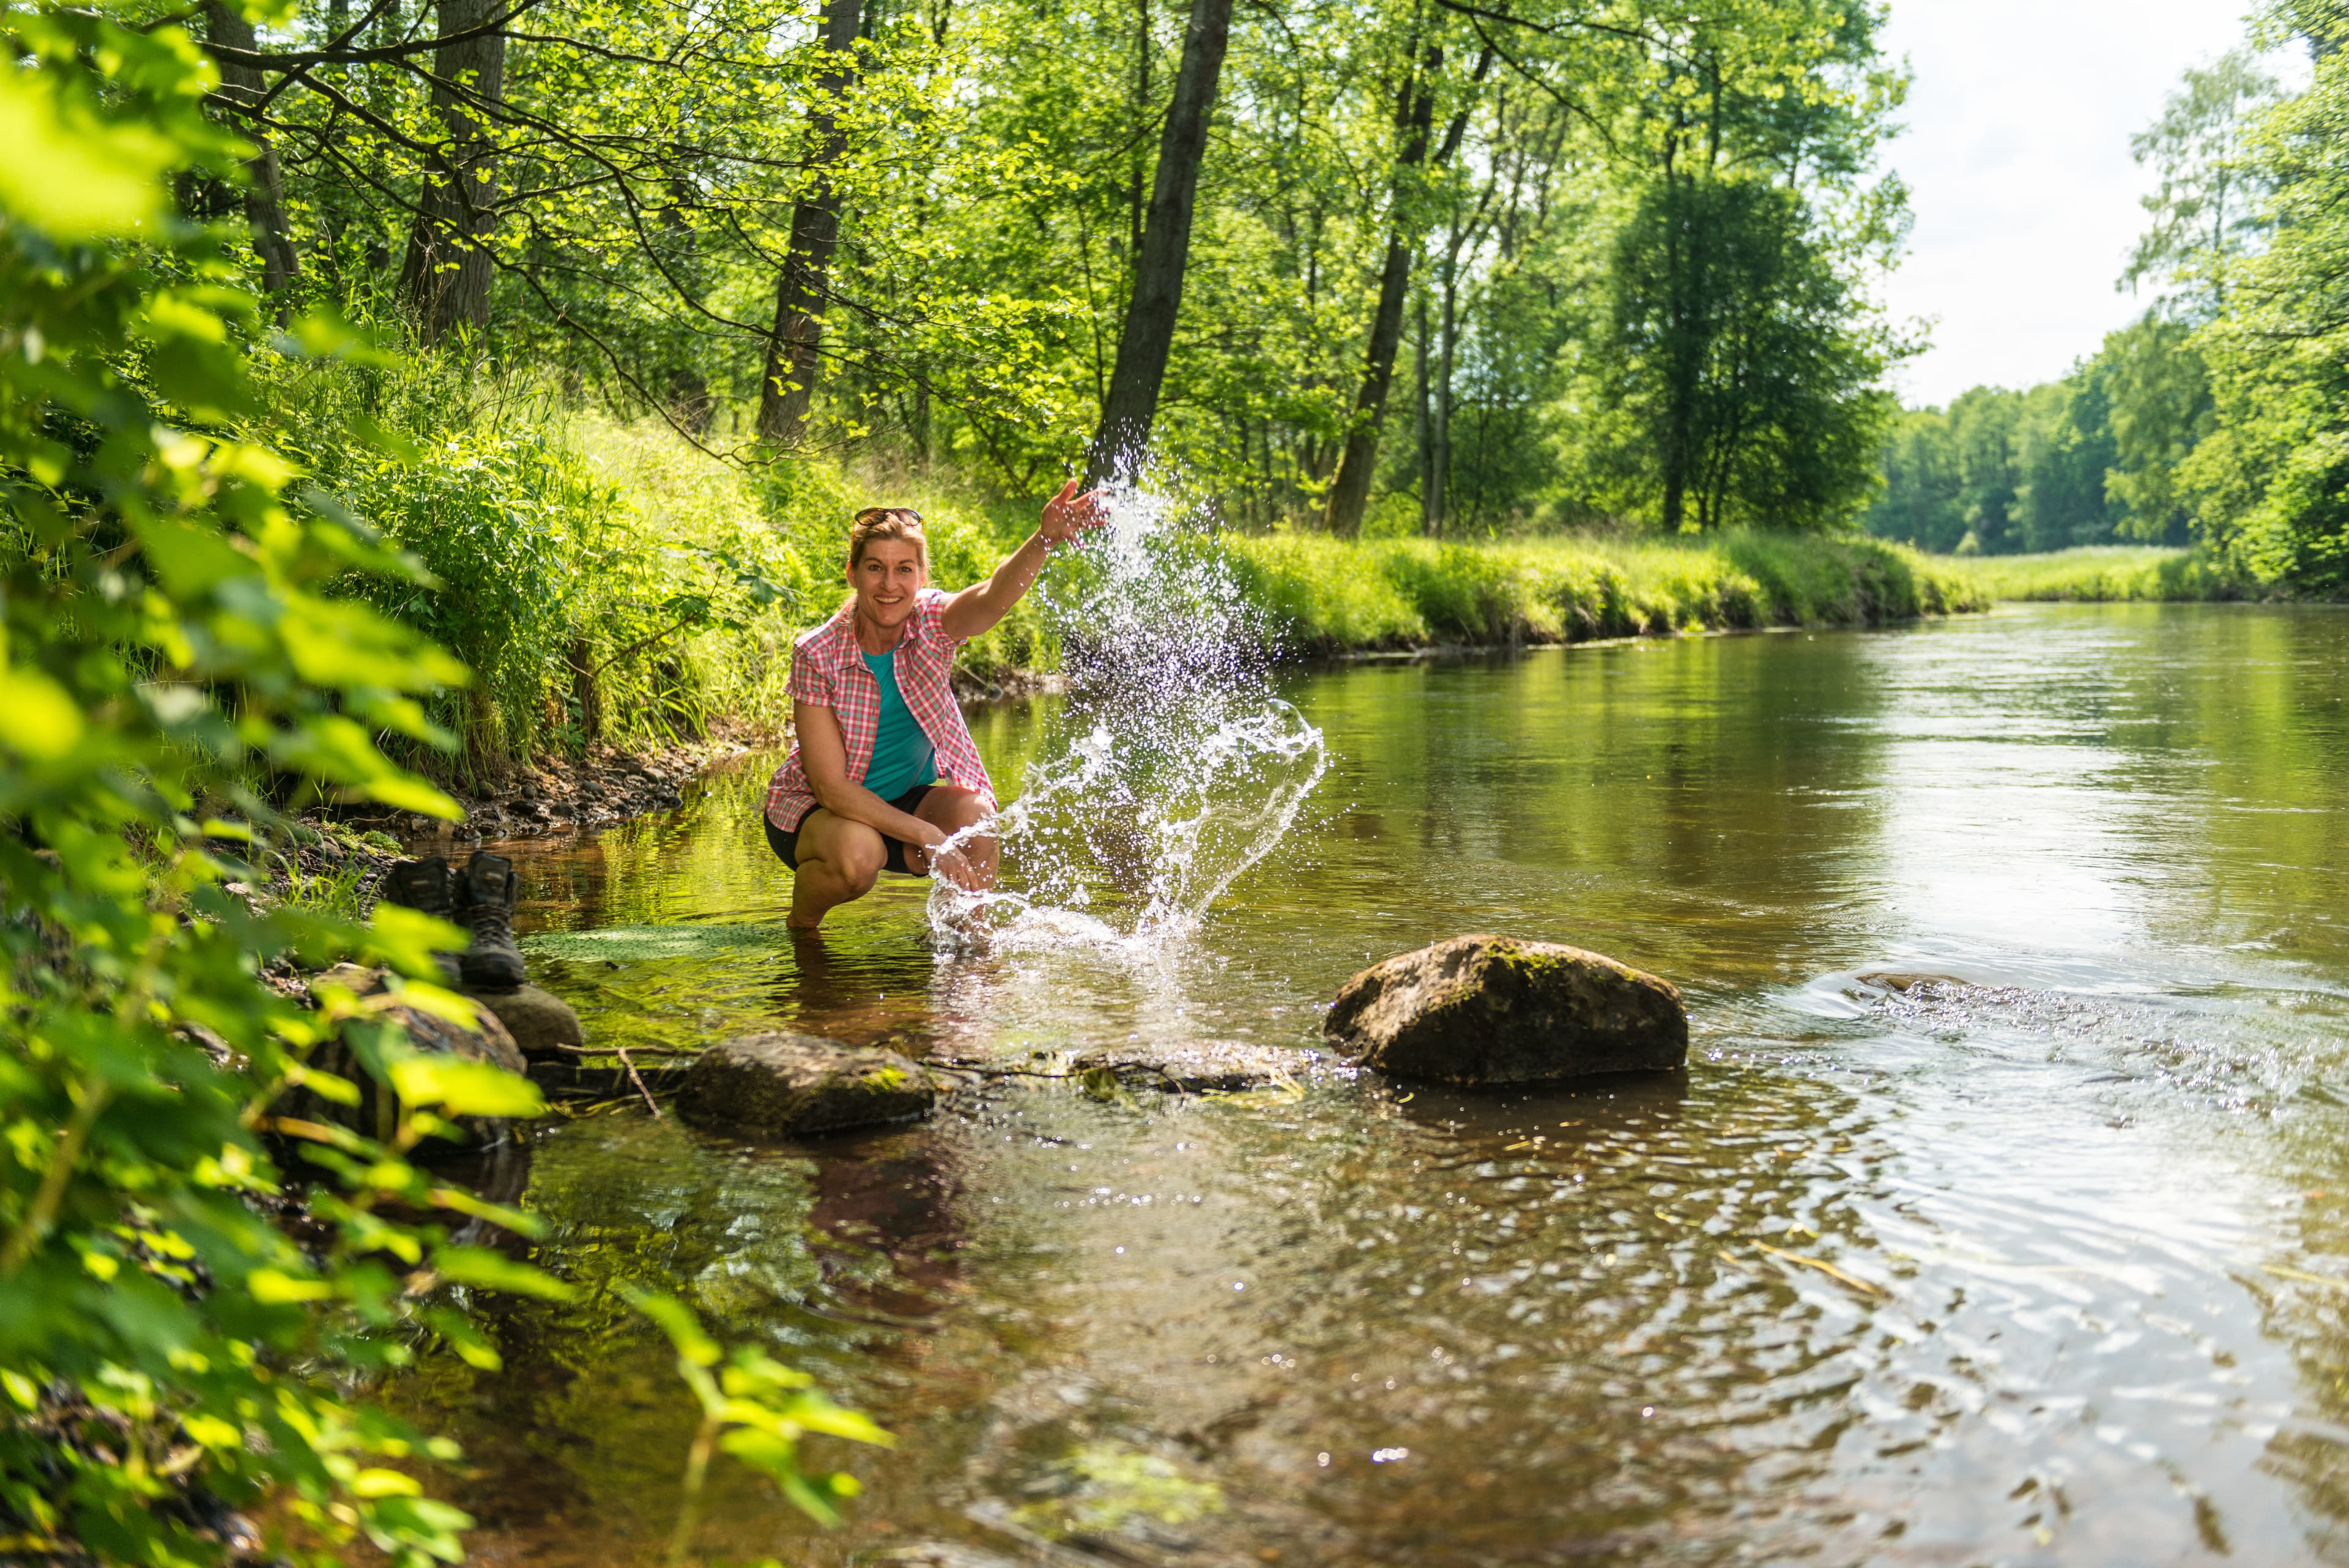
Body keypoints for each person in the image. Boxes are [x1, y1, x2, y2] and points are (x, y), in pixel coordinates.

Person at [763, 483, 1104, 928]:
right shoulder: (817, 652)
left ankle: (967, 950)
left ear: (922, 576)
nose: (889, 584)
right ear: (852, 573)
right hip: (822, 814)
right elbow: (831, 789)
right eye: (875, 568)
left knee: (976, 819)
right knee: (860, 856)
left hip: (905, 800)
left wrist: (1044, 540)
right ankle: (801, 932)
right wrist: (925, 834)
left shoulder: (931, 623)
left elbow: (990, 599)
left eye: (904, 568)